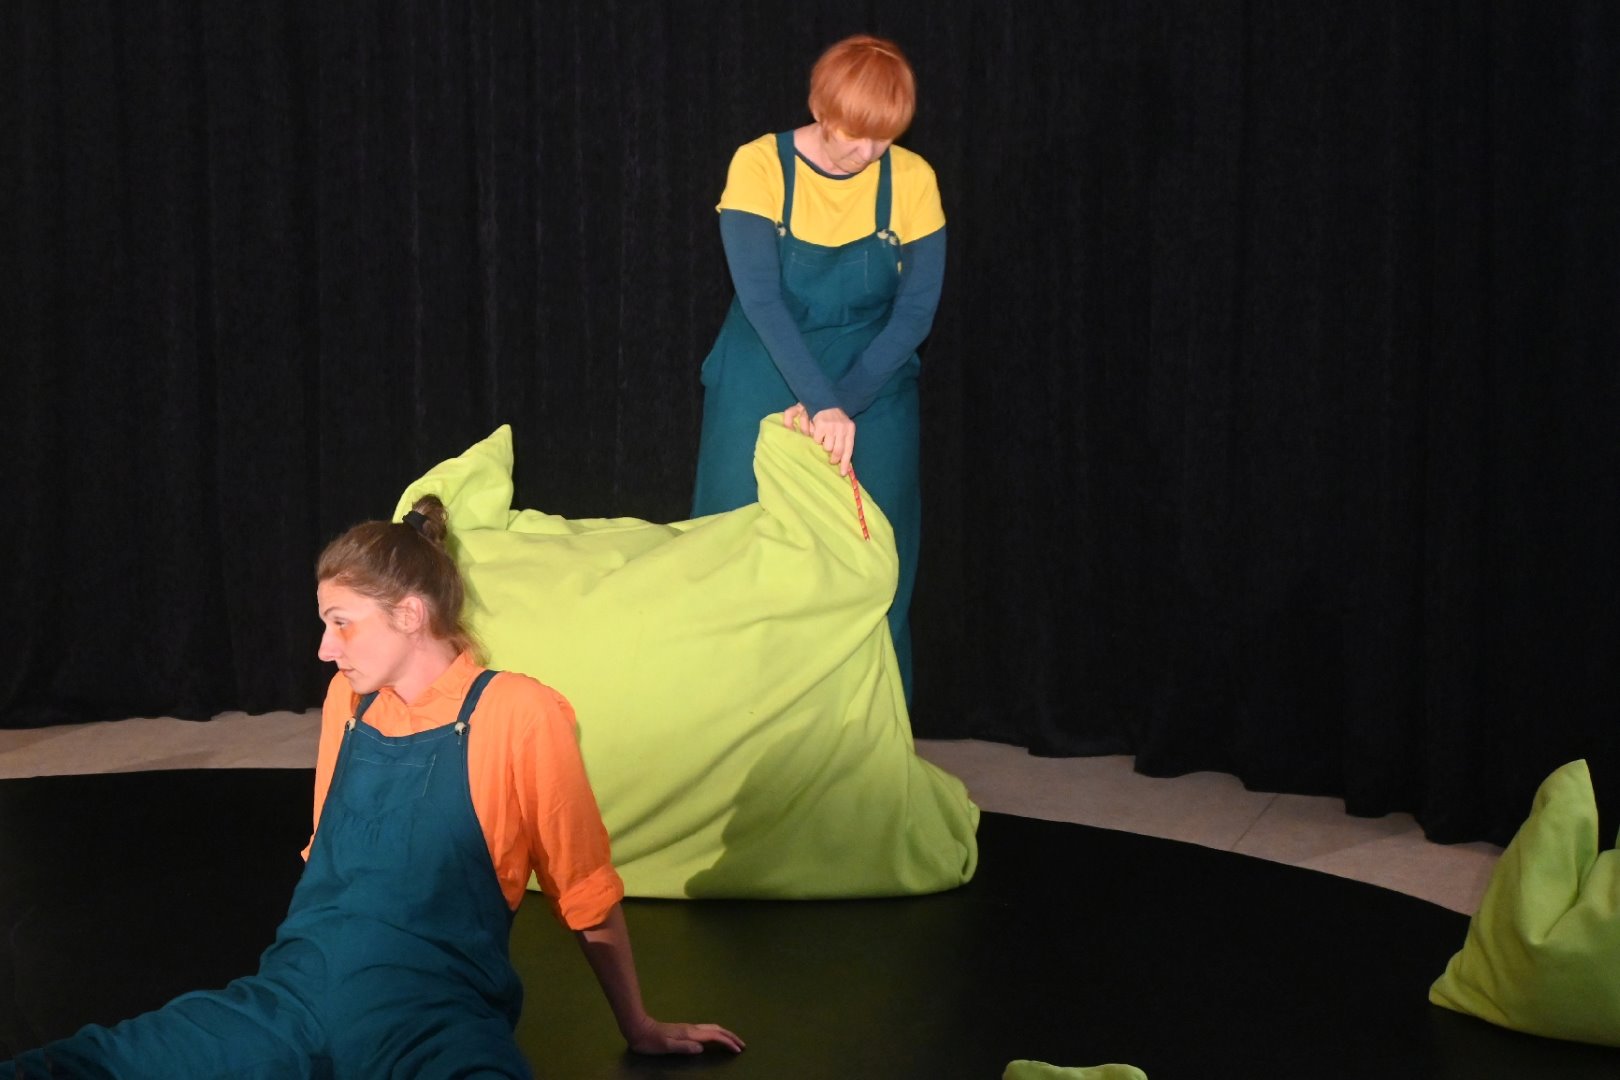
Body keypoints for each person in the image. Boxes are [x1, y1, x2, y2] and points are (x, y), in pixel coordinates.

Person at [1, 496, 742, 1078]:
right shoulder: (347, 704)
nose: (325, 648)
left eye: (341, 623)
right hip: (293, 996)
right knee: (87, 1063)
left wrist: (638, 1026)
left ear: (410, 614)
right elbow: (324, 861)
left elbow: (584, 891)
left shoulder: (518, 712)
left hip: (428, 1016)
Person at [690, 33, 946, 707]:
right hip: (764, 361)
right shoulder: (759, 165)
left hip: (873, 369)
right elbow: (761, 299)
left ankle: (873, 734)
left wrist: (846, 400)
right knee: (732, 549)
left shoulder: (913, 180)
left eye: (885, 137)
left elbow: (915, 312)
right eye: (855, 134)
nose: (869, 152)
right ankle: (726, 723)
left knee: (877, 556)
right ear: (820, 109)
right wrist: (818, 401)